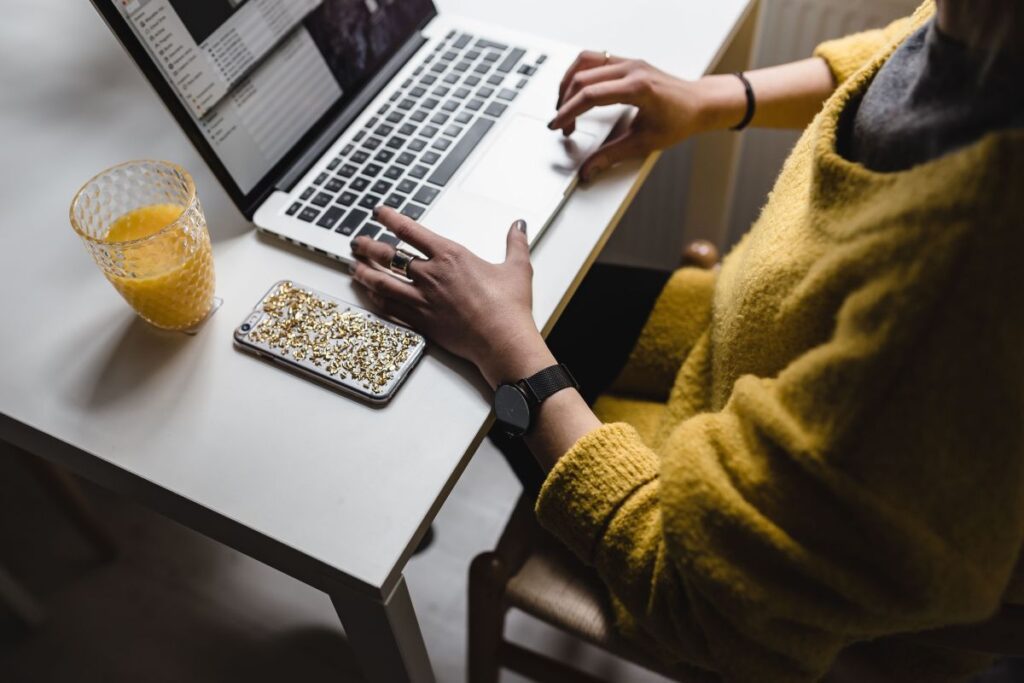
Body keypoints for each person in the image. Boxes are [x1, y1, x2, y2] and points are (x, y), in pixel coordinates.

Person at [350, 0, 1024, 680]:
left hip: (708, 547)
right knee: (484, 311)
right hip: (755, 341)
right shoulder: (985, 34)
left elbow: (702, 596)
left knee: (466, 346)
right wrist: (709, 98)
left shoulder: (967, 279)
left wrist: (507, 353)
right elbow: (909, 54)